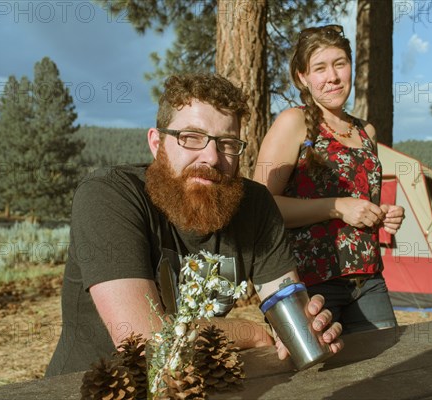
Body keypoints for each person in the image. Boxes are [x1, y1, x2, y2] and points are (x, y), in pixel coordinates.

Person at [46, 73, 343, 376]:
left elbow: (285, 300)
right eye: (191, 137)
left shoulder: (255, 205)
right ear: (156, 143)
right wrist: (248, 332)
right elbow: (147, 344)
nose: (212, 157)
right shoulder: (109, 195)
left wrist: (305, 327)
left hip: (197, 385)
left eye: (227, 143)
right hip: (94, 386)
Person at [253, 25, 404, 334]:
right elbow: (260, 208)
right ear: (302, 77)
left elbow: (357, 207)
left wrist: (380, 214)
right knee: (321, 380)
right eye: (320, 68)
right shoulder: (293, 123)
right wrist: (337, 207)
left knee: (389, 374)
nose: (333, 76)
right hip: (310, 284)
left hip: (370, 280)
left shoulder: (367, 132)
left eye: (340, 64)